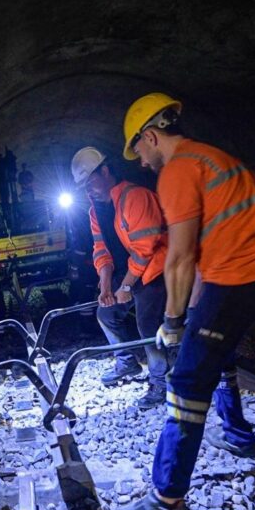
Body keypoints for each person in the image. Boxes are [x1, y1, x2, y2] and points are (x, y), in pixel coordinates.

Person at [113, 93, 255, 510]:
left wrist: (172, 324)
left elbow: (179, 258)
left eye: (139, 150)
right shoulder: (216, 158)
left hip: (236, 281)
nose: (141, 162)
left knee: (188, 381)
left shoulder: (177, 172)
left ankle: (166, 502)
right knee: (216, 352)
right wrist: (192, 316)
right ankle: (238, 435)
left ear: (151, 137)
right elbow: (218, 243)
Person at [71, 146, 171, 408]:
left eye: (89, 182)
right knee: (106, 315)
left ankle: (161, 382)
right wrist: (105, 286)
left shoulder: (135, 197)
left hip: (156, 271)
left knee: (148, 326)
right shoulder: (95, 210)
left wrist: (126, 285)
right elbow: (101, 249)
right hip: (129, 272)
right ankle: (127, 362)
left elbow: (145, 248)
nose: (87, 190)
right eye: (82, 186)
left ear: (105, 171)